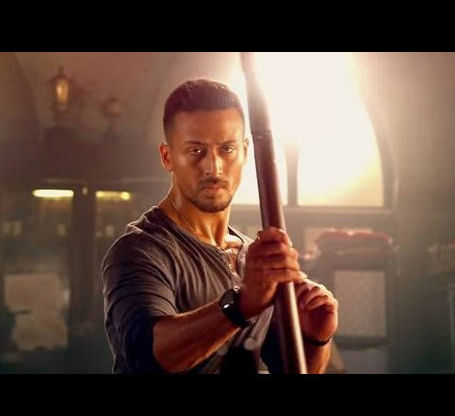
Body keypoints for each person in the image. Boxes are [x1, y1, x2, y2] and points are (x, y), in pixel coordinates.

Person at [102, 78, 338, 374]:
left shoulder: (253, 260)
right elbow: (149, 356)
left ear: (245, 152)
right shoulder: (140, 250)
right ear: (167, 156)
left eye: (227, 149)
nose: (213, 167)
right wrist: (240, 305)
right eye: (196, 151)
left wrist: (316, 338)